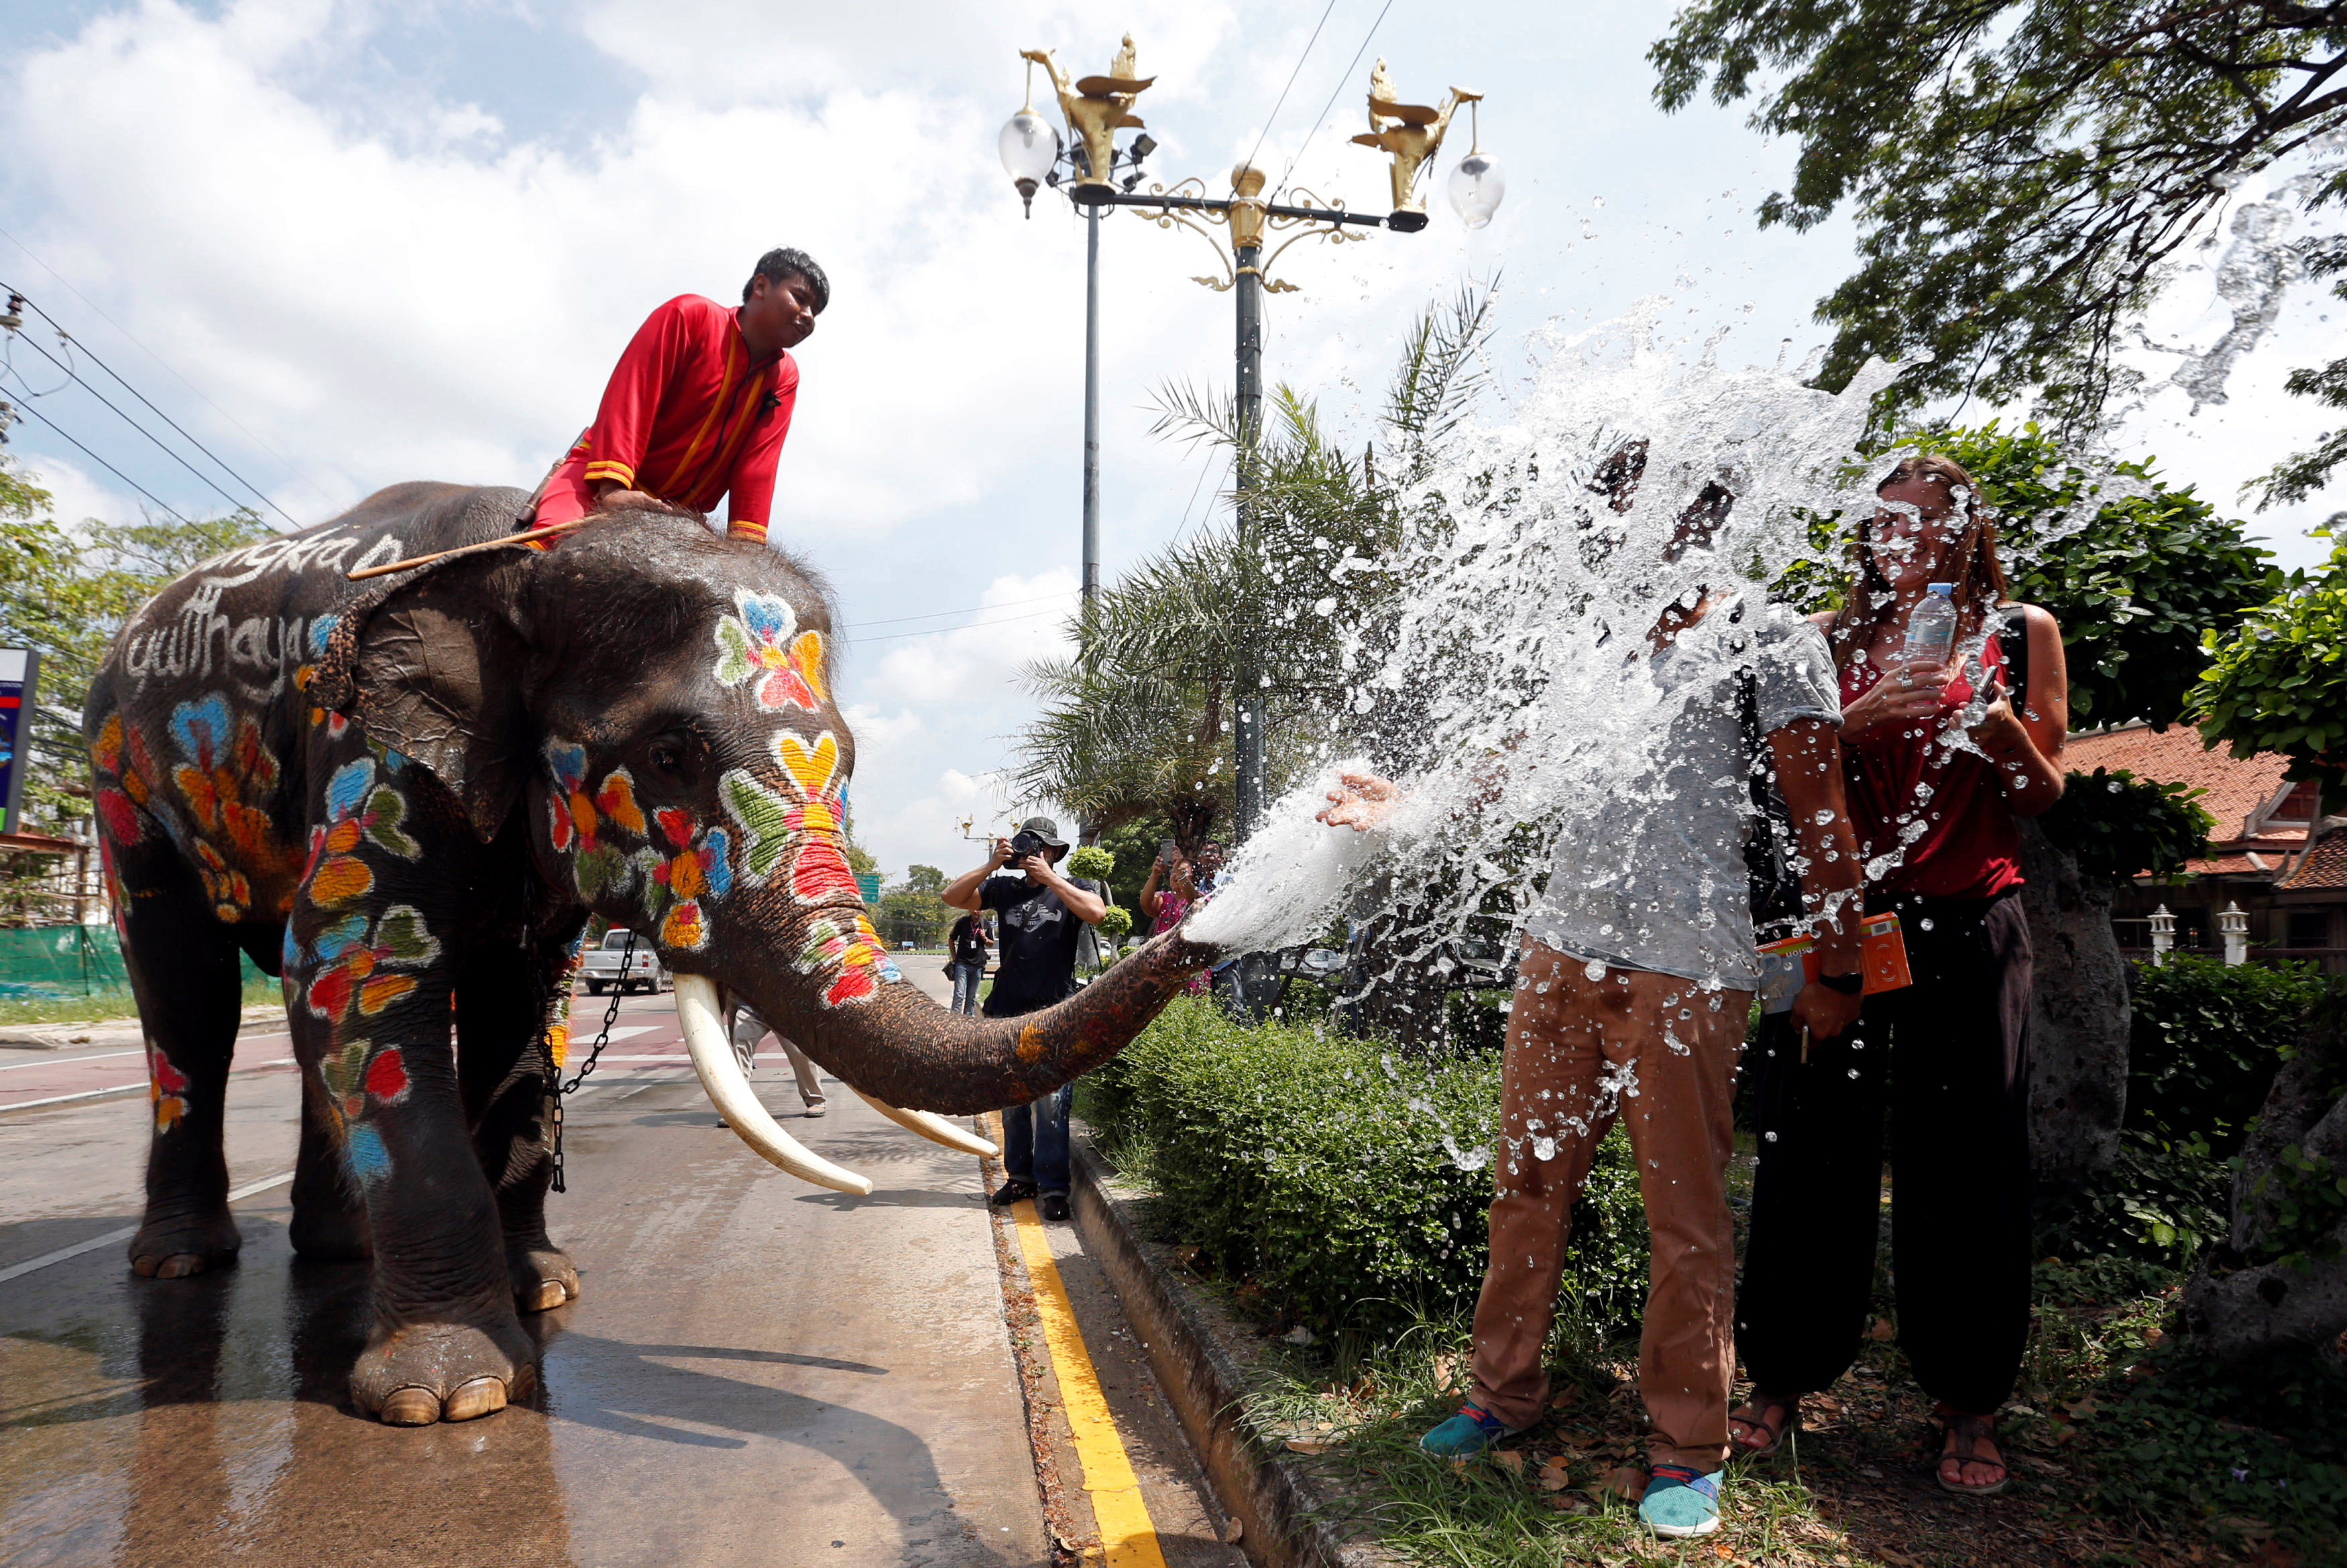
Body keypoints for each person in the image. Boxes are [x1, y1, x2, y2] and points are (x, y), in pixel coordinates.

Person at [1318, 566, 1868, 1540]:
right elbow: (1515, 763)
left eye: (1643, 503)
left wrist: (1841, 964)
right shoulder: (1597, 643)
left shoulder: (1770, 633)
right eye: (1613, 510)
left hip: (1689, 969)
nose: (1624, 531)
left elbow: (1821, 807)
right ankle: (1502, 1391)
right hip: (1560, 956)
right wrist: (1403, 803)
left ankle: (1689, 1444)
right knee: (1526, 1185)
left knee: (1685, 1217)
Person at [1729, 455, 2067, 1498]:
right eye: (1886, 520)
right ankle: (1780, 1376)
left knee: (1968, 1160)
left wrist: (1993, 720)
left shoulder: (2022, 633)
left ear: (1969, 529)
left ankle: (1968, 1401)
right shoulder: (1824, 643)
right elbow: (1779, 788)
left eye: (1930, 518)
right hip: (1850, 928)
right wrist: (1859, 719)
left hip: (1972, 922)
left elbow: (2044, 791)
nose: (1906, 535)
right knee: (1807, 1148)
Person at [529, 247, 828, 546]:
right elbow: (633, 397)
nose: (808, 316)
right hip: (598, 480)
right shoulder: (690, 315)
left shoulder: (785, 377)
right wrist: (612, 489)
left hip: (678, 515)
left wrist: (746, 545)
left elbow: (759, 462)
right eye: (800, 299)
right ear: (761, 286)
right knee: (551, 546)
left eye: (815, 311)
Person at [941, 816, 1106, 1221]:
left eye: (1041, 848)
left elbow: (1097, 914)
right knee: (1013, 1101)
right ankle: (1020, 1178)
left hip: (1054, 1013)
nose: (1033, 854)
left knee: (1052, 1103)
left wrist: (1051, 879)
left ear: (1052, 852)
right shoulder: (1005, 889)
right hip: (1006, 1010)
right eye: (1027, 848)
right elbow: (952, 897)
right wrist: (989, 866)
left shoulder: (1075, 888)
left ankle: (1054, 1189)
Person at [727, 1006, 827, 1117]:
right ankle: (736, 1106)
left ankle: (815, 1099)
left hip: (783, 1007)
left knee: (799, 1052)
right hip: (750, 1005)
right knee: (740, 1048)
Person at [945, 911, 991, 1016]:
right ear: (969, 909)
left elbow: (991, 944)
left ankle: (968, 1019)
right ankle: (955, 1018)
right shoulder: (963, 922)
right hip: (962, 964)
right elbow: (951, 939)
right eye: (973, 909)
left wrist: (985, 939)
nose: (975, 911)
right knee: (959, 994)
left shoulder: (986, 924)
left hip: (978, 966)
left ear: (982, 910)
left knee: (971, 996)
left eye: (978, 909)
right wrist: (954, 957)